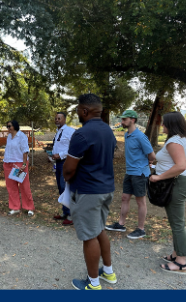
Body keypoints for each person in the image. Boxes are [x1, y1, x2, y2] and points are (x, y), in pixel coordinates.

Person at [62, 93, 118, 290]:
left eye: (78, 109)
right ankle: (108, 273)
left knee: (89, 236)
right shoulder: (108, 131)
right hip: (106, 189)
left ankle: (93, 283)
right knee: (99, 229)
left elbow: (69, 169)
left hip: (87, 191)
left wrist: (67, 179)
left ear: (84, 111)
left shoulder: (82, 134)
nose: (77, 112)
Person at [149, 111, 186, 274]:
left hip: (175, 184)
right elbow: (184, 163)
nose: (162, 125)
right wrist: (156, 168)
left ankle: (181, 262)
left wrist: (159, 176)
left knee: (177, 224)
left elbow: (181, 165)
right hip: (179, 183)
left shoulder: (174, 141)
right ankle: (176, 254)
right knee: (176, 222)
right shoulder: (183, 140)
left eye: (164, 122)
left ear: (171, 124)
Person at [106, 109, 157, 239]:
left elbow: (152, 155)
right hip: (129, 172)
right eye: (122, 119)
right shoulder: (127, 135)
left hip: (140, 173)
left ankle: (141, 229)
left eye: (124, 119)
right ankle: (121, 224)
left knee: (140, 201)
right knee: (124, 197)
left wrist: (148, 163)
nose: (122, 121)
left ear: (132, 120)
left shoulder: (140, 136)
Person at [2, 119, 35, 216]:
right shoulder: (9, 136)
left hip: (19, 164)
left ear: (15, 126)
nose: (8, 128)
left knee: (24, 186)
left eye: (10, 126)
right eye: (7, 126)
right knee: (11, 187)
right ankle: (15, 207)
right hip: (8, 163)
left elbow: (25, 151)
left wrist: (24, 164)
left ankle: (29, 208)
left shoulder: (21, 136)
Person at [50, 111, 76, 225]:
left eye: (59, 118)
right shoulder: (58, 132)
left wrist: (60, 155)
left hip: (66, 162)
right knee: (61, 189)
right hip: (57, 163)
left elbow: (74, 147)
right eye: (56, 118)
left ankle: (72, 215)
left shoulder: (70, 131)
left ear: (64, 119)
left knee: (66, 187)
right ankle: (65, 212)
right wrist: (52, 155)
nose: (57, 120)